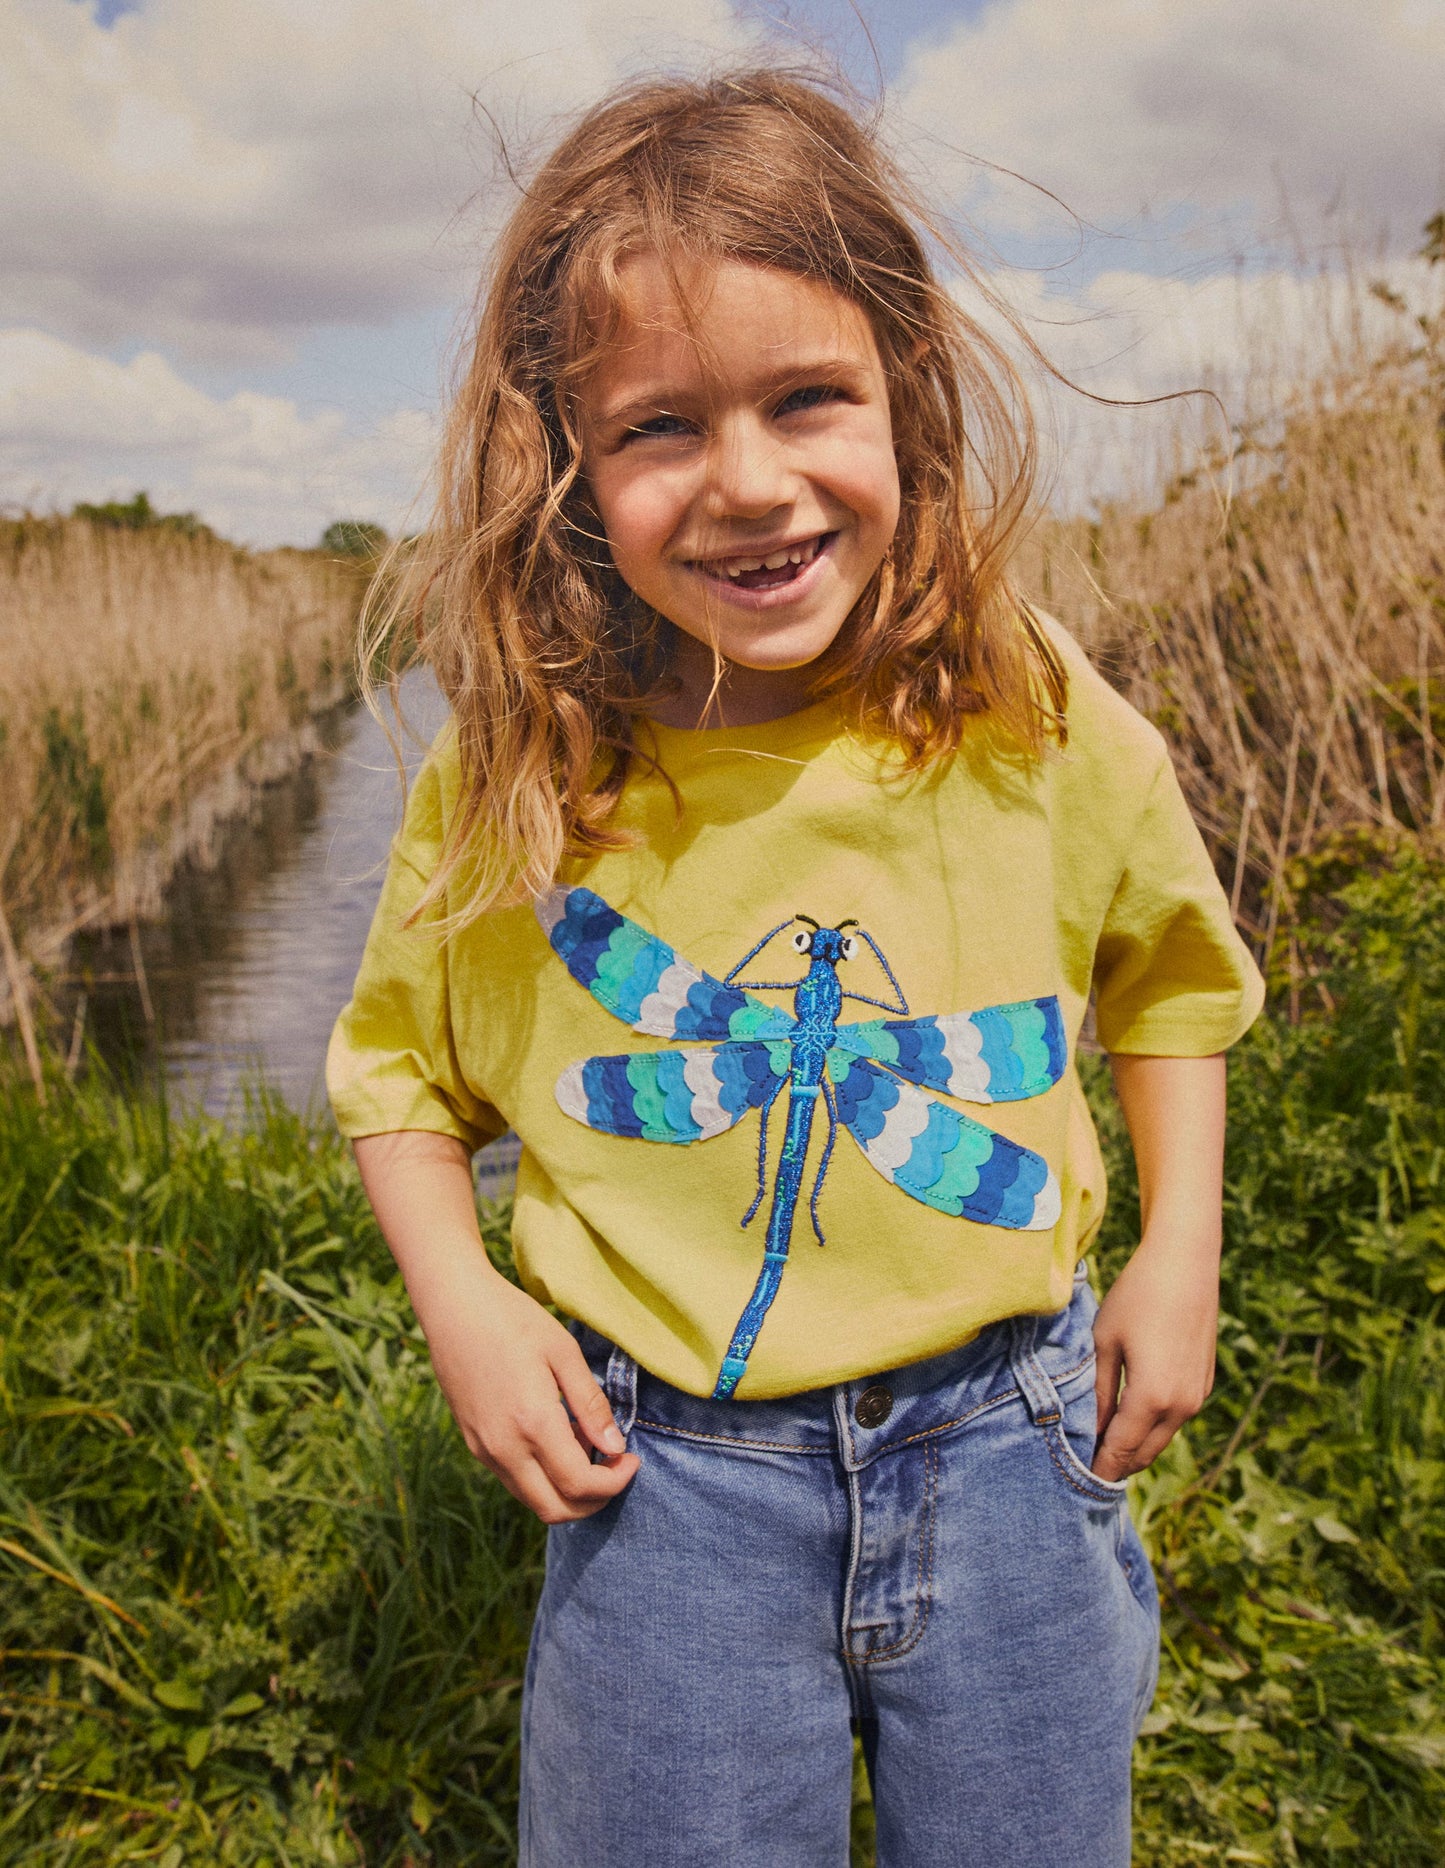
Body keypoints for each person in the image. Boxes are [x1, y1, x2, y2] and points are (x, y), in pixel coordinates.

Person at [327, 68, 1264, 1868]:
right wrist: (465, 1306)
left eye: (808, 397)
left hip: (1012, 1443)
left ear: (904, 393)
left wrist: (1182, 1249)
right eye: (658, 427)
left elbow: (1169, 982)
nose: (748, 483)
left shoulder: (1028, 715)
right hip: (660, 1483)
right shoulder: (529, 775)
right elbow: (396, 1081)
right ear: (568, 467)